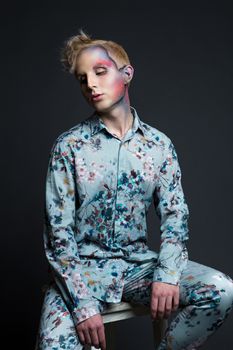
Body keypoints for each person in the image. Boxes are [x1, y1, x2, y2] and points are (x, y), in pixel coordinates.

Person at [35, 29, 233, 350]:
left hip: (137, 269)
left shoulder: (159, 146)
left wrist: (167, 274)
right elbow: (58, 236)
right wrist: (83, 306)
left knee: (221, 290)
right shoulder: (69, 146)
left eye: (100, 72)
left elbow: (175, 218)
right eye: (83, 79)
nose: (91, 84)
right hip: (80, 275)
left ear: (126, 74)